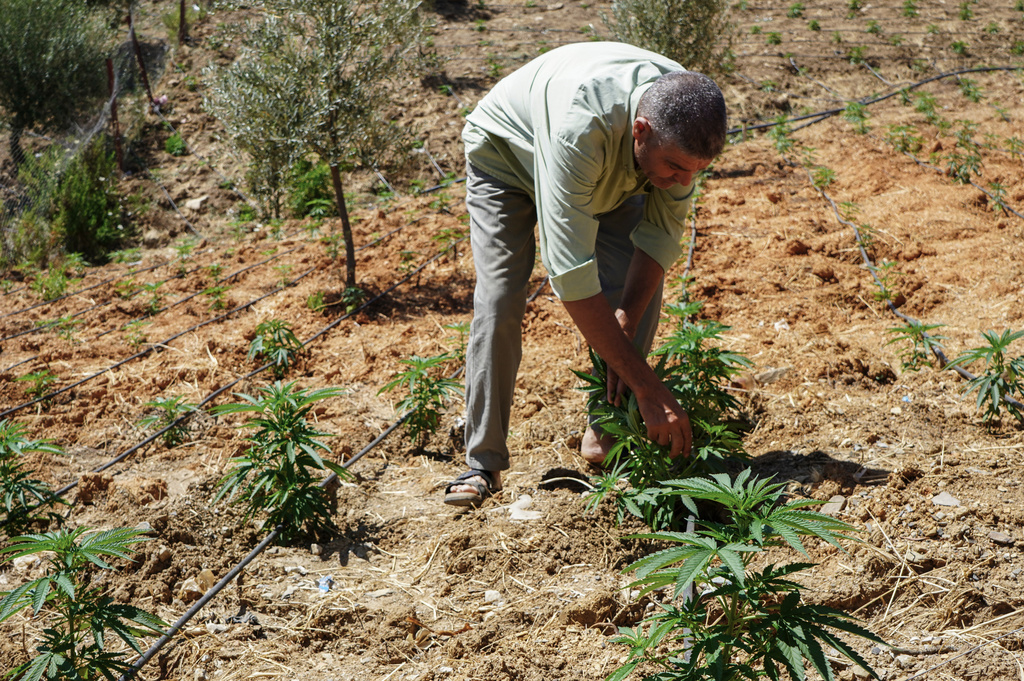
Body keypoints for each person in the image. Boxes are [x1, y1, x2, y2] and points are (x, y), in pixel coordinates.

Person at [444, 41, 728, 506]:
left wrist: (627, 319)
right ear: (641, 130)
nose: (683, 182)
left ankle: (607, 437)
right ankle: (484, 463)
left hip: (616, 170)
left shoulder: (680, 118)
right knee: (500, 298)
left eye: (695, 172)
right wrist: (647, 385)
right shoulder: (583, 127)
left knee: (636, 294)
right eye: (676, 167)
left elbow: (659, 239)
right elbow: (571, 276)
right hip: (508, 156)